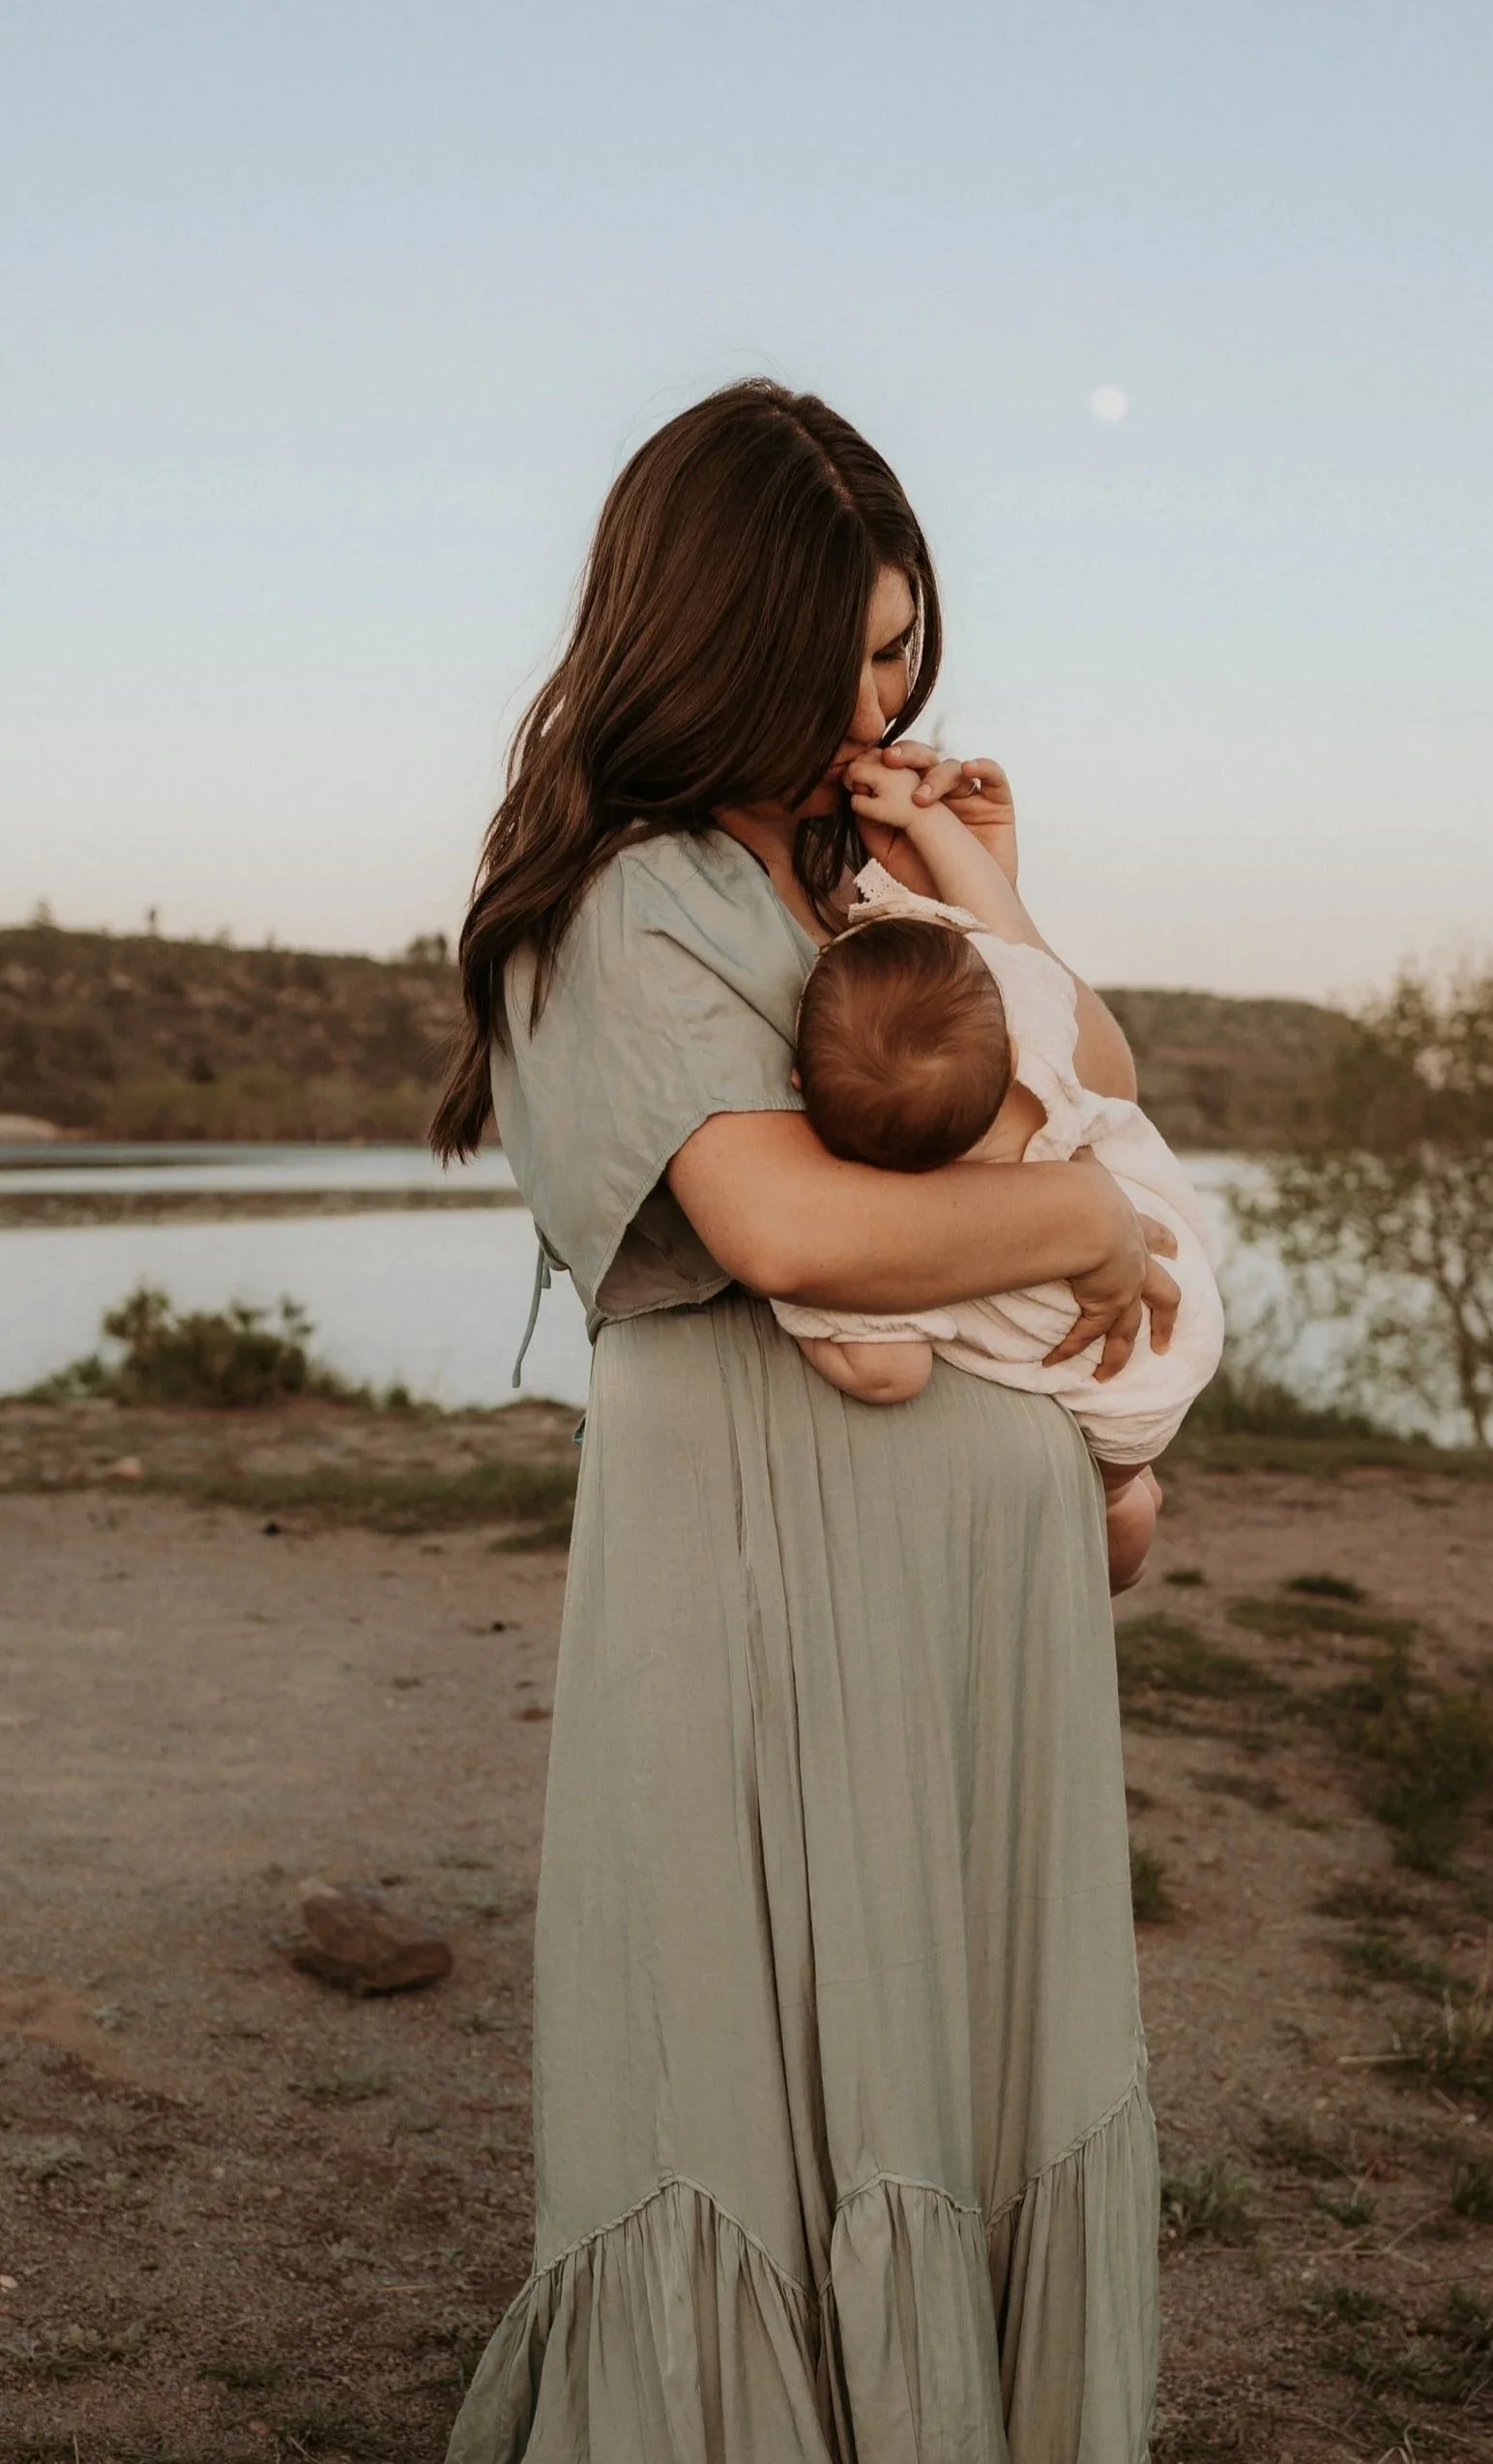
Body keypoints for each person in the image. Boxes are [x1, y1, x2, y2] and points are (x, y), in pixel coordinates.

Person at [432, 377, 1179, 2464]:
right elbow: (782, 1222)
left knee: (963, 2058)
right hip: (763, 1577)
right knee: (750, 2079)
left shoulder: (853, 890)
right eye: (845, 658)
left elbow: (1088, 1060)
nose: (882, 699)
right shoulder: (632, 899)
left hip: (968, 1605)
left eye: (900, 651)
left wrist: (987, 886)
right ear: (720, 640)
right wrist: (1080, 1219)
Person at [768, 756, 1225, 1593]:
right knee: (1133, 1461)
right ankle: (1135, 1488)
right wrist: (929, 823)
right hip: (1177, 1298)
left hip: (1117, 1389)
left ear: (800, 1082)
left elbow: (890, 1371)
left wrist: (799, 1315)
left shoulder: (906, 1231)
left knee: (1112, 1496)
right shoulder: (1033, 1057)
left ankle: (1123, 1509)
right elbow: (998, 926)